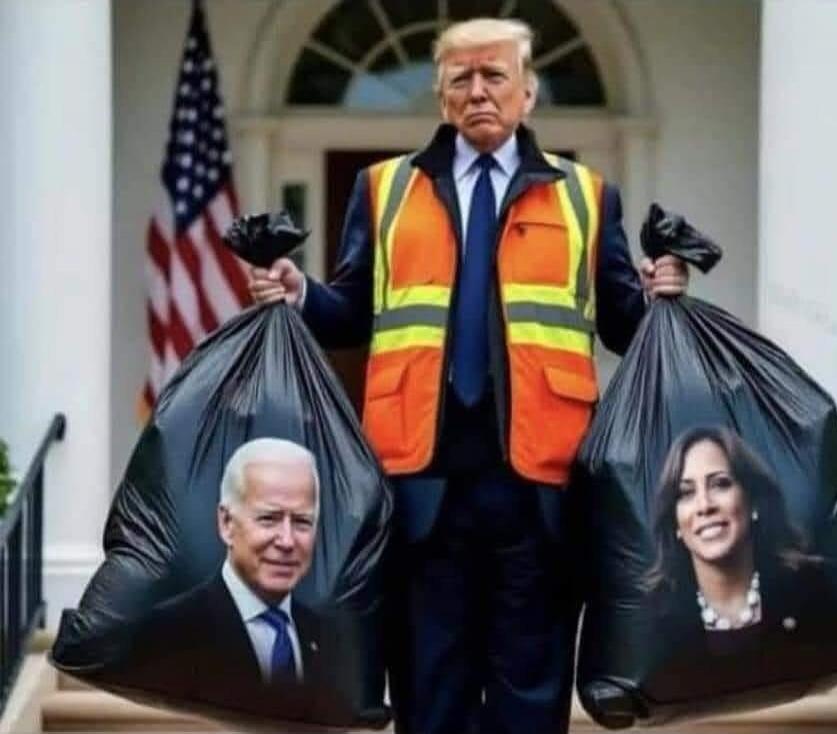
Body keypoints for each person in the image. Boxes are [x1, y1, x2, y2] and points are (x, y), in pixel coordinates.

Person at [249, 17, 688, 734]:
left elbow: (621, 326)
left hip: (541, 489)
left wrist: (661, 298)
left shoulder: (586, 196)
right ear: (441, 94)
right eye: (462, 79)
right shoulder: (383, 189)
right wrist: (300, 292)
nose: (479, 92)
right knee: (429, 694)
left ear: (528, 93)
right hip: (420, 489)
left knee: (529, 700)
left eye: (495, 77)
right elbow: (351, 314)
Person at [638, 426, 837, 703]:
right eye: (685, 493)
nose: (704, 506)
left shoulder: (817, 591)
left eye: (721, 484)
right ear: (675, 523)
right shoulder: (653, 617)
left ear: (753, 502)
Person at [123, 438, 346, 717]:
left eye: (302, 522)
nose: (287, 541)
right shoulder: (168, 634)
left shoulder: (330, 640)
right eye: (269, 518)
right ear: (227, 524)